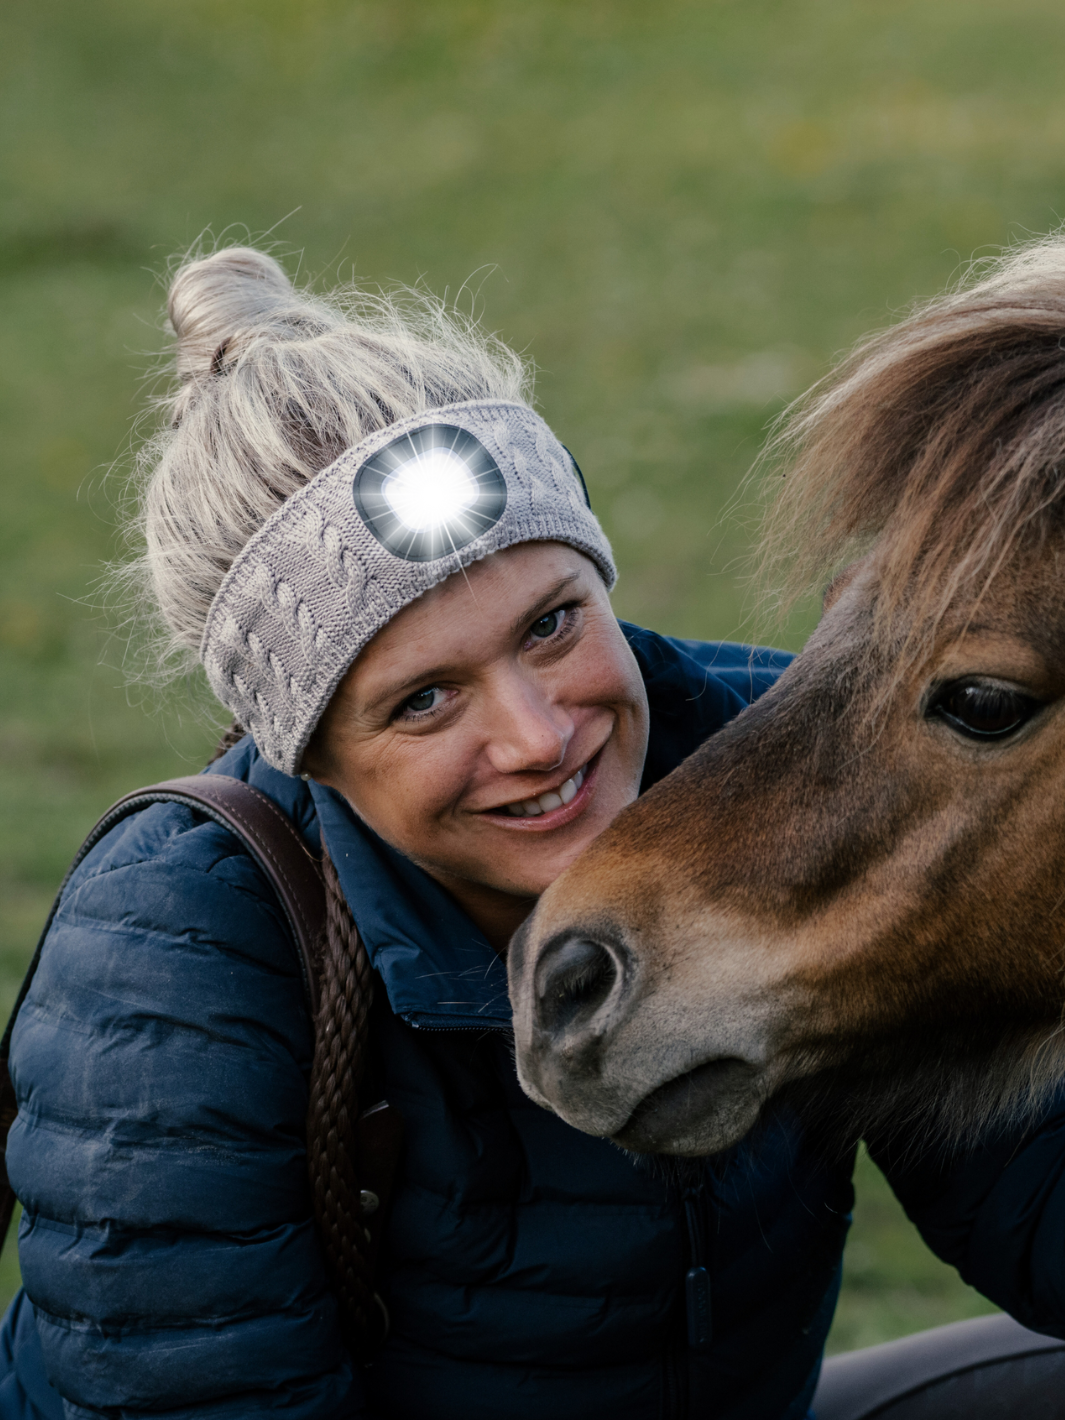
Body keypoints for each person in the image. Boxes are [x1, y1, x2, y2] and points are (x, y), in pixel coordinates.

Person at [0, 244, 1063, 1420]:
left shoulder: (788, 776)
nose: (539, 734)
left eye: (553, 623)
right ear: (311, 753)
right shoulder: (174, 959)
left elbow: (1039, 1201)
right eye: (423, 700)